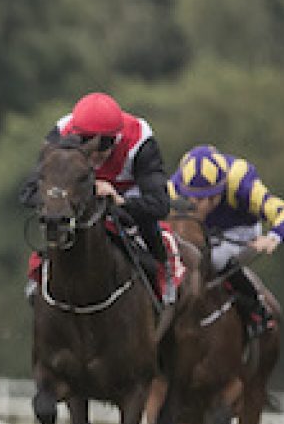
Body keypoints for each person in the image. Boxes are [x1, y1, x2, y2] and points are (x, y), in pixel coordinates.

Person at [25, 92, 174, 296]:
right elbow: (29, 192)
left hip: (125, 196)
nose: (93, 152)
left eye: (102, 144)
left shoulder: (140, 139)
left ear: (117, 138)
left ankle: (162, 274)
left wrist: (120, 202)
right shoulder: (60, 135)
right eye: (84, 141)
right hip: (77, 199)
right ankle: (40, 280)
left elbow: (160, 205)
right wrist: (60, 199)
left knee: (147, 234)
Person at [169, 144, 284, 340]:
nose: (197, 205)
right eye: (192, 199)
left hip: (240, 232)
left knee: (215, 261)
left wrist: (274, 236)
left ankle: (255, 309)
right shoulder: (176, 187)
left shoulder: (242, 182)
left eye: (204, 199)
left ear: (219, 192)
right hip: (201, 233)